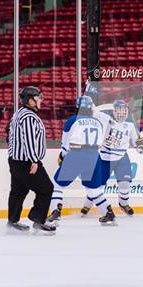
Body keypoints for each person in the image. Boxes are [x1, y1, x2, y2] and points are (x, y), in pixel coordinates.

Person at [46, 95, 116, 226]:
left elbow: (65, 143)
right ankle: (108, 213)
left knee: (57, 185)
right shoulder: (98, 122)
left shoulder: (72, 120)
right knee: (93, 189)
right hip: (95, 156)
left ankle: (55, 211)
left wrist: (63, 156)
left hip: (76, 154)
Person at [80, 100, 142, 216]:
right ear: (114, 110)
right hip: (104, 158)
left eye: (124, 110)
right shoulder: (104, 118)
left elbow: (138, 143)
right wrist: (89, 95)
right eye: (119, 110)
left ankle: (123, 204)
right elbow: (92, 110)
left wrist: (142, 147)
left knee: (125, 184)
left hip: (122, 158)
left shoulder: (131, 125)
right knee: (98, 186)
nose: (122, 113)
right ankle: (87, 205)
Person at [7, 86, 55, 235]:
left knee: (19, 190)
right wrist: (34, 161)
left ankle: (13, 221)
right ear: (30, 100)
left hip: (16, 161)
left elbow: (7, 133)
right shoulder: (28, 117)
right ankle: (38, 219)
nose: (41, 100)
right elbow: (28, 140)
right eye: (38, 97)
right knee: (46, 188)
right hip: (27, 162)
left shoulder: (18, 113)